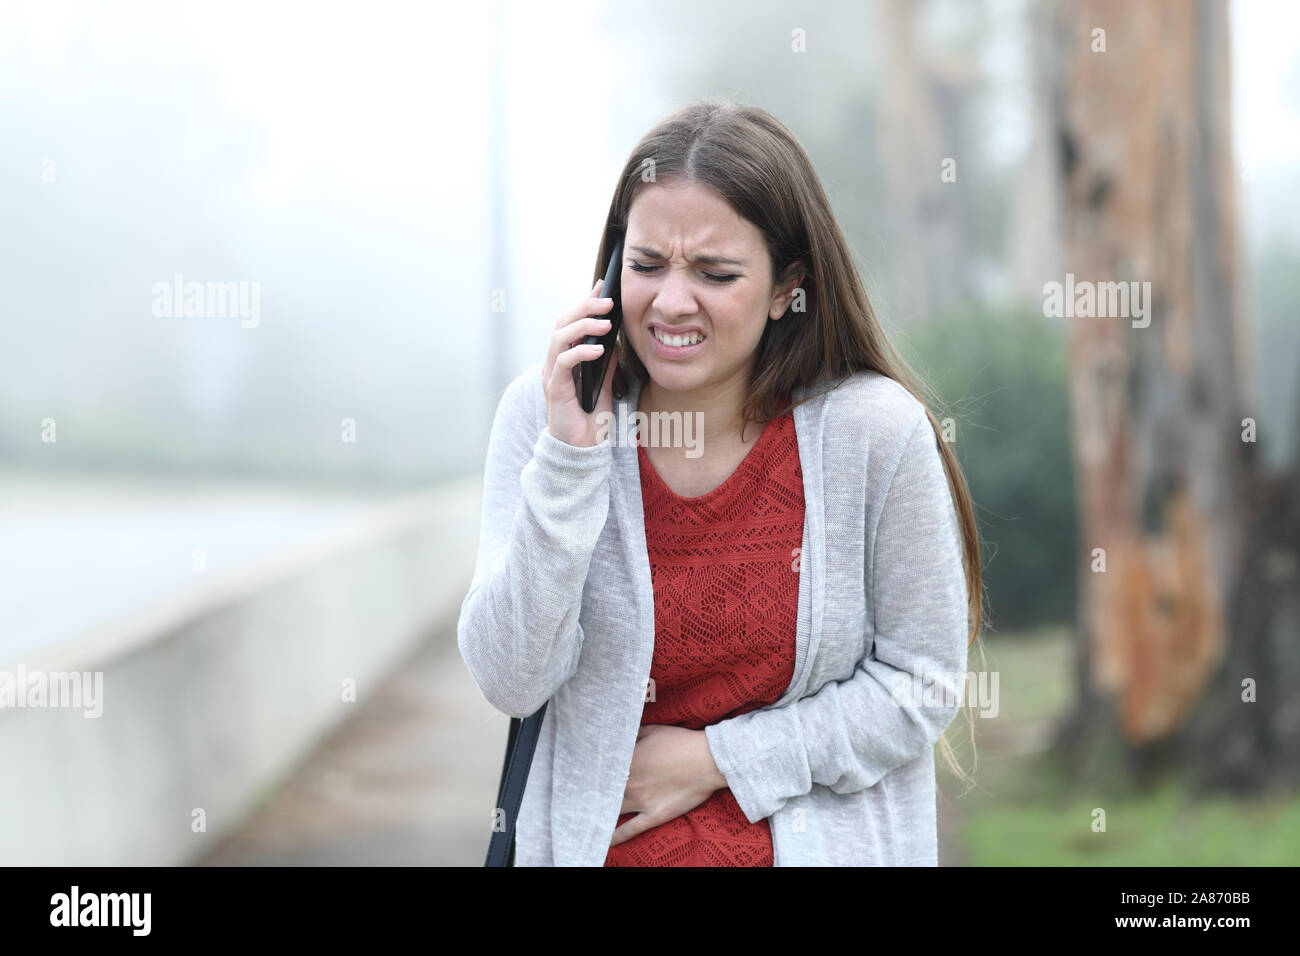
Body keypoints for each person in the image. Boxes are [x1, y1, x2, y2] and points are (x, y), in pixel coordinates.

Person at [458, 98, 984, 866]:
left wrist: (721, 761)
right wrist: (571, 459)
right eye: (645, 265)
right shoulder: (544, 419)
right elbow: (511, 677)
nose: (672, 302)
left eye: (715, 272)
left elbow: (921, 685)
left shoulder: (875, 434)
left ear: (786, 288)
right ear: (610, 267)